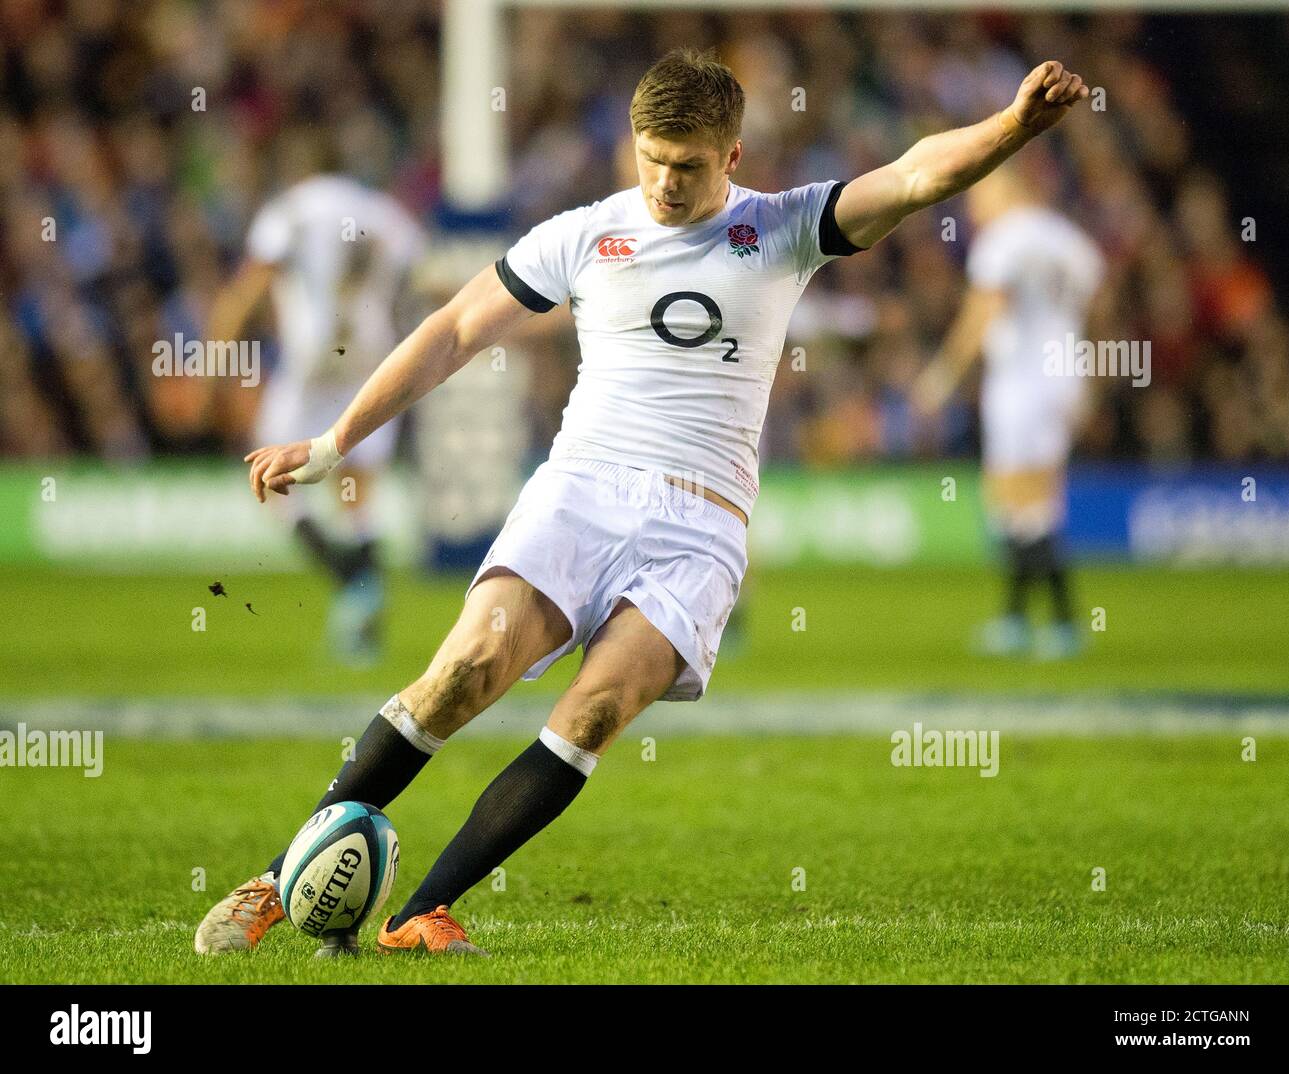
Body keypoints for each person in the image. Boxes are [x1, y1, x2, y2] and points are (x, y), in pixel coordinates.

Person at [196, 48, 1090, 957]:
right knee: (461, 675)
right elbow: (454, 330)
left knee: (593, 714)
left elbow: (914, 175)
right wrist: (331, 442)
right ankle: (277, 882)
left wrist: (1015, 125)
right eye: (651, 158)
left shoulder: (783, 229)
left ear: (732, 157)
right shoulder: (584, 234)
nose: (664, 182)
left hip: (700, 528)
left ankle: (418, 914)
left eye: (689, 165)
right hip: (582, 489)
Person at [208, 171, 428, 664]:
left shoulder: (290, 207)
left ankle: (348, 577)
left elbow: (255, 280)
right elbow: (417, 272)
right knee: (357, 492)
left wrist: (217, 348)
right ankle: (362, 605)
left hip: (312, 356)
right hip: (369, 356)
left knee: (265, 472)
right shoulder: (382, 209)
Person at [913, 164, 1104, 658]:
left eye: (979, 197)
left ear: (1005, 189)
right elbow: (1096, 302)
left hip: (1021, 381)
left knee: (1017, 505)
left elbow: (984, 311)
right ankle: (1021, 619)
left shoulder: (1004, 239)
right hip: (1064, 376)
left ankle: (1061, 622)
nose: (973, 209)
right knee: (1037, 502)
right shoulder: (1067, 238)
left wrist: (943, 375)